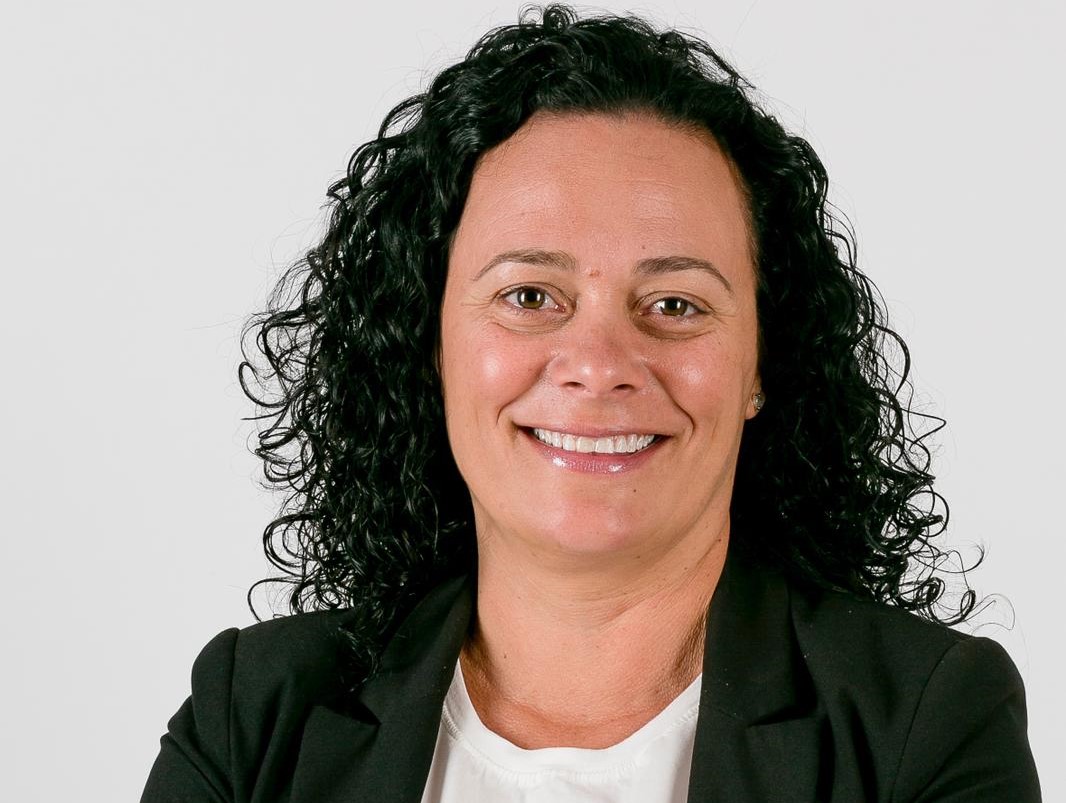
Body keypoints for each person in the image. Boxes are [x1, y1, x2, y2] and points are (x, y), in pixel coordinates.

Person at [140, 5, 1040, 801]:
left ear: (763, 363)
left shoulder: (924, 724)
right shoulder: (254, 717)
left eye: (676, 304)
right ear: (430, 343)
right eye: (531, 295)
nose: (600, 365)